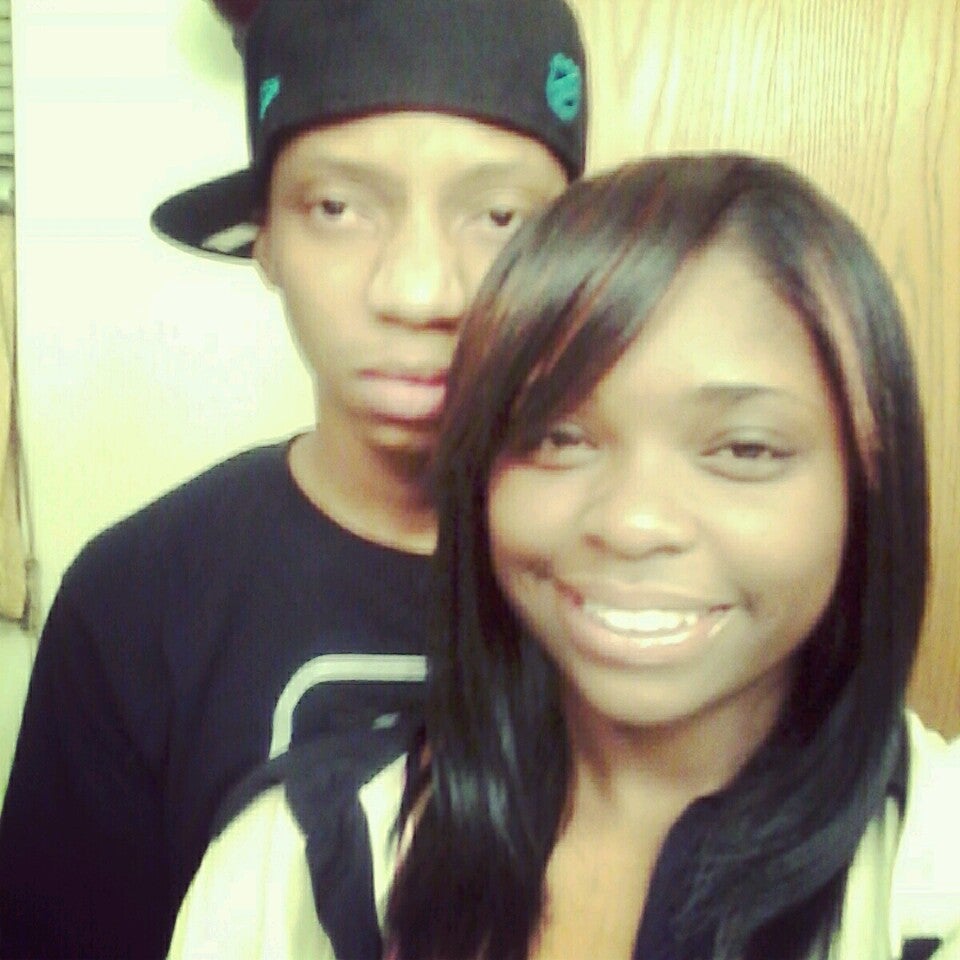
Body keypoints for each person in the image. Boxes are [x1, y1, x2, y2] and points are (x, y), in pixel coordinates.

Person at [168, 154, 959, 960]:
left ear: (869, 482)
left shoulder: (933, 875)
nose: (632, 523)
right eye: (558, 437)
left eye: (744, 449)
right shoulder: (289, 862)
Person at [0, 0, 587, 956]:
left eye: (499, 216)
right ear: (264, 237)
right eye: (337, 208)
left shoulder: (651, 575)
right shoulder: (135, 601)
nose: (420, 291)